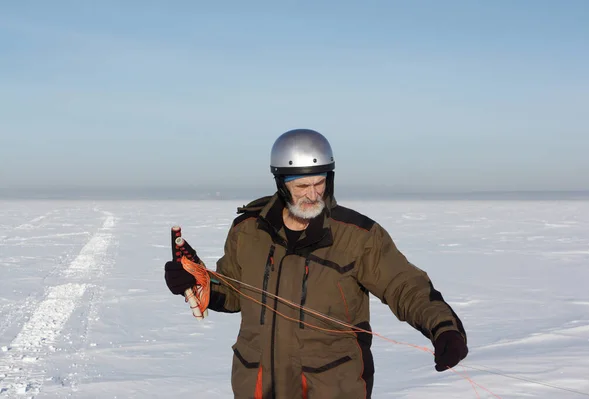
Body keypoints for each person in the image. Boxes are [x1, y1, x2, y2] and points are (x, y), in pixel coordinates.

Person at [164, 128, 468, 399]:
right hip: (257, 385)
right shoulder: (248, 231)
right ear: (281, 183)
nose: (312, 195)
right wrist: (197, 280)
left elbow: (405, 286)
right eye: (301, 187)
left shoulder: (358, 236)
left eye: (319, 183)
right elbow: (233, 292)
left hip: (330, 388)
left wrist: (444, 329)